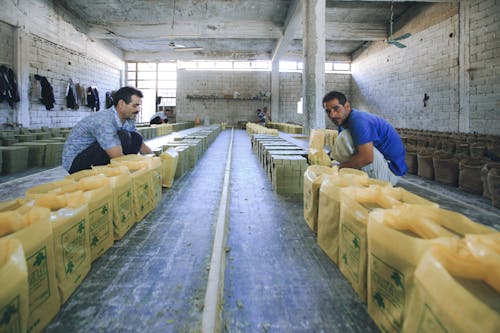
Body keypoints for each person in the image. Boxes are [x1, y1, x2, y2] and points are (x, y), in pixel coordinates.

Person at [62, 86, 153, 174]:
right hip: (76, 164)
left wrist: (155, 161)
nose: (138, 110)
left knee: (136, 137)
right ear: (121, 104)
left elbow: (141, 145)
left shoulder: (128, 119)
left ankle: (120, 172)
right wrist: (136, 170)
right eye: (135, 106)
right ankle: (121, 174)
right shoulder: (105, 120)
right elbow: (117, 156)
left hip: (96, 155)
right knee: (123, 136)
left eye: (139, 106)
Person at [323, 91, 407, 185]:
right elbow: (338, 151)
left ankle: (370, 181)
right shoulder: (342, 121)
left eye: (336, 109)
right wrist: (323, 159)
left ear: (347, 106)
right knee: (342, 143)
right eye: (328, 111)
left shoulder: (359, 121)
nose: (332, 115)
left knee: (345, 137)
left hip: (390, 172)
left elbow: (367, 158)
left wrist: (337, 168)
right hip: (380, 162)